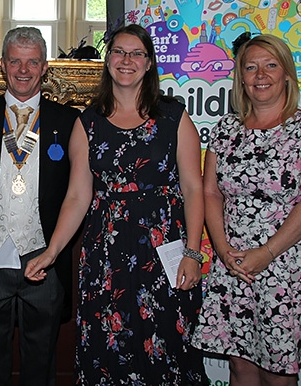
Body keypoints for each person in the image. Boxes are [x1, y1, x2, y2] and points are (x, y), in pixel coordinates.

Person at [25, 23, 208, 385]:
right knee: (109, 350)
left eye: (136, 53)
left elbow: (193, 187)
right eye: (119, 52)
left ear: (150, 63)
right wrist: (52, 251)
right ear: (107, 61)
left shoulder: (174, 117)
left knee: (167, 347)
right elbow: (78, 196)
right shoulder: (87, 123)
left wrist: (193, 252)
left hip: (164, 254)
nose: (127, 60)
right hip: (106, 258)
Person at [0, 26, 80, 386]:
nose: (23, 70)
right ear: (3, 65)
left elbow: (79, 191)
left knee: (40, 363)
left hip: (44, 259)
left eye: (32, 62)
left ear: (45, 67)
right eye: (15, 61)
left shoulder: (67, 121)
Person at [191, 34, 301, 385]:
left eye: (270, 65)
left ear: (286, 74)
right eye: (250, 67)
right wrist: (223, 250)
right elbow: (211, 192)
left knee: (278, 374)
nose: (260, 75)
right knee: (240, 366)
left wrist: (267, 253)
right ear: (240, 77)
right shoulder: (226, 128)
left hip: (285, 268)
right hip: (234, 265)